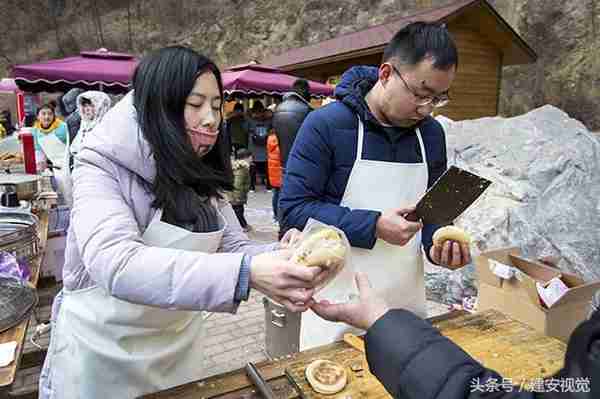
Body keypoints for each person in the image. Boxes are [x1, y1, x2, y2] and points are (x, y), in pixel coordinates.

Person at [38, 46, 327, 399]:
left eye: (217, 106)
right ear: (161, 105)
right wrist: (247, 273)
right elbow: (117, 262)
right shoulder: (99, 165)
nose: (211, 119)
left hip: (175, 351)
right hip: (101, 356)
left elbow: (235, 248)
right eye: (195, 104)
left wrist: (286, 254)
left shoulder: (194, 163)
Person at [279, 21, 469, 350]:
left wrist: (439, 244)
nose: (426, 109)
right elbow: (293, 210)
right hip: (337, 305)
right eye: (421, 94)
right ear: (385, 74)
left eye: (438, 98)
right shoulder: (325, 125)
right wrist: (374, 225)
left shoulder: (431, 134)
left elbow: (434, 212)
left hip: (404, 305)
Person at [311, 273, 600, 399]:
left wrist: (433, 241)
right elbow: (294, 206)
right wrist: (371, 224)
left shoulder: (431, 142)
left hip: (398, 315)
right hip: (343, 295)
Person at [272, 78, 312, 169]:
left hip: (284, 161)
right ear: (304, 90)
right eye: (309, 91)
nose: (310, 94)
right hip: (302, 162)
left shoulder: (279, 108)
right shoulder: (306, 109)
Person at [30, 103, 69, 167]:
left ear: (54, 116)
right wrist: (40, 162)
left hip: (67, 162)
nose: (47, 117)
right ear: (38, 116)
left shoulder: (63, 127)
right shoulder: (35, 131)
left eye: (50, 114)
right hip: (53, 165)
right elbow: (39, 150)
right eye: (43, 114)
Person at [247, 100, 272, 190]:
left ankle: (251, 186)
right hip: (265, 146)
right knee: (267, 165)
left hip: (253, 146)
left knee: (252, 165)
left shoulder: (250, 120)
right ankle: (268, 185)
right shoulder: (268, 121)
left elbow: (245, 127)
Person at [230, 148, 253, 232]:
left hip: (234, 194)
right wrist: (238, 197)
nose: (252, 159)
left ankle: (242, 225)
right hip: (237, 195)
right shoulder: (242, 168)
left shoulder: (237, 166)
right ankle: (242, 226)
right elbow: (237, 183)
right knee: (238, 211)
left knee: (238, 211)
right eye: (251, 157)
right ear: (247, 157)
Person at [267, 127, 282, 221]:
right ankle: (278, 215)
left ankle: (275, 214)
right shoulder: (279, 142)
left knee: (275, 193)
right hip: (279, 171)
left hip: (273, 171)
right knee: (280, 194)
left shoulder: (270, 140)